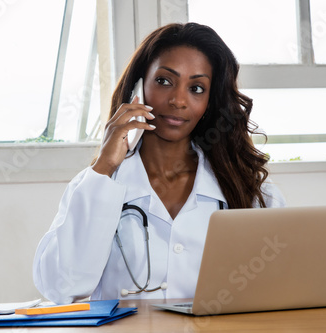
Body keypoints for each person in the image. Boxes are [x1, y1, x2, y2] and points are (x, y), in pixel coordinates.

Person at [33, 22, 286, 304]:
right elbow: (61, 288)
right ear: (138, 87)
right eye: (164, 81)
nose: (178, 100)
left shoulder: (250, 190)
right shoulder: (96, 183)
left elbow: (285, 283)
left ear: (210, 103)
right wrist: (104, 166)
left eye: (197, 88)